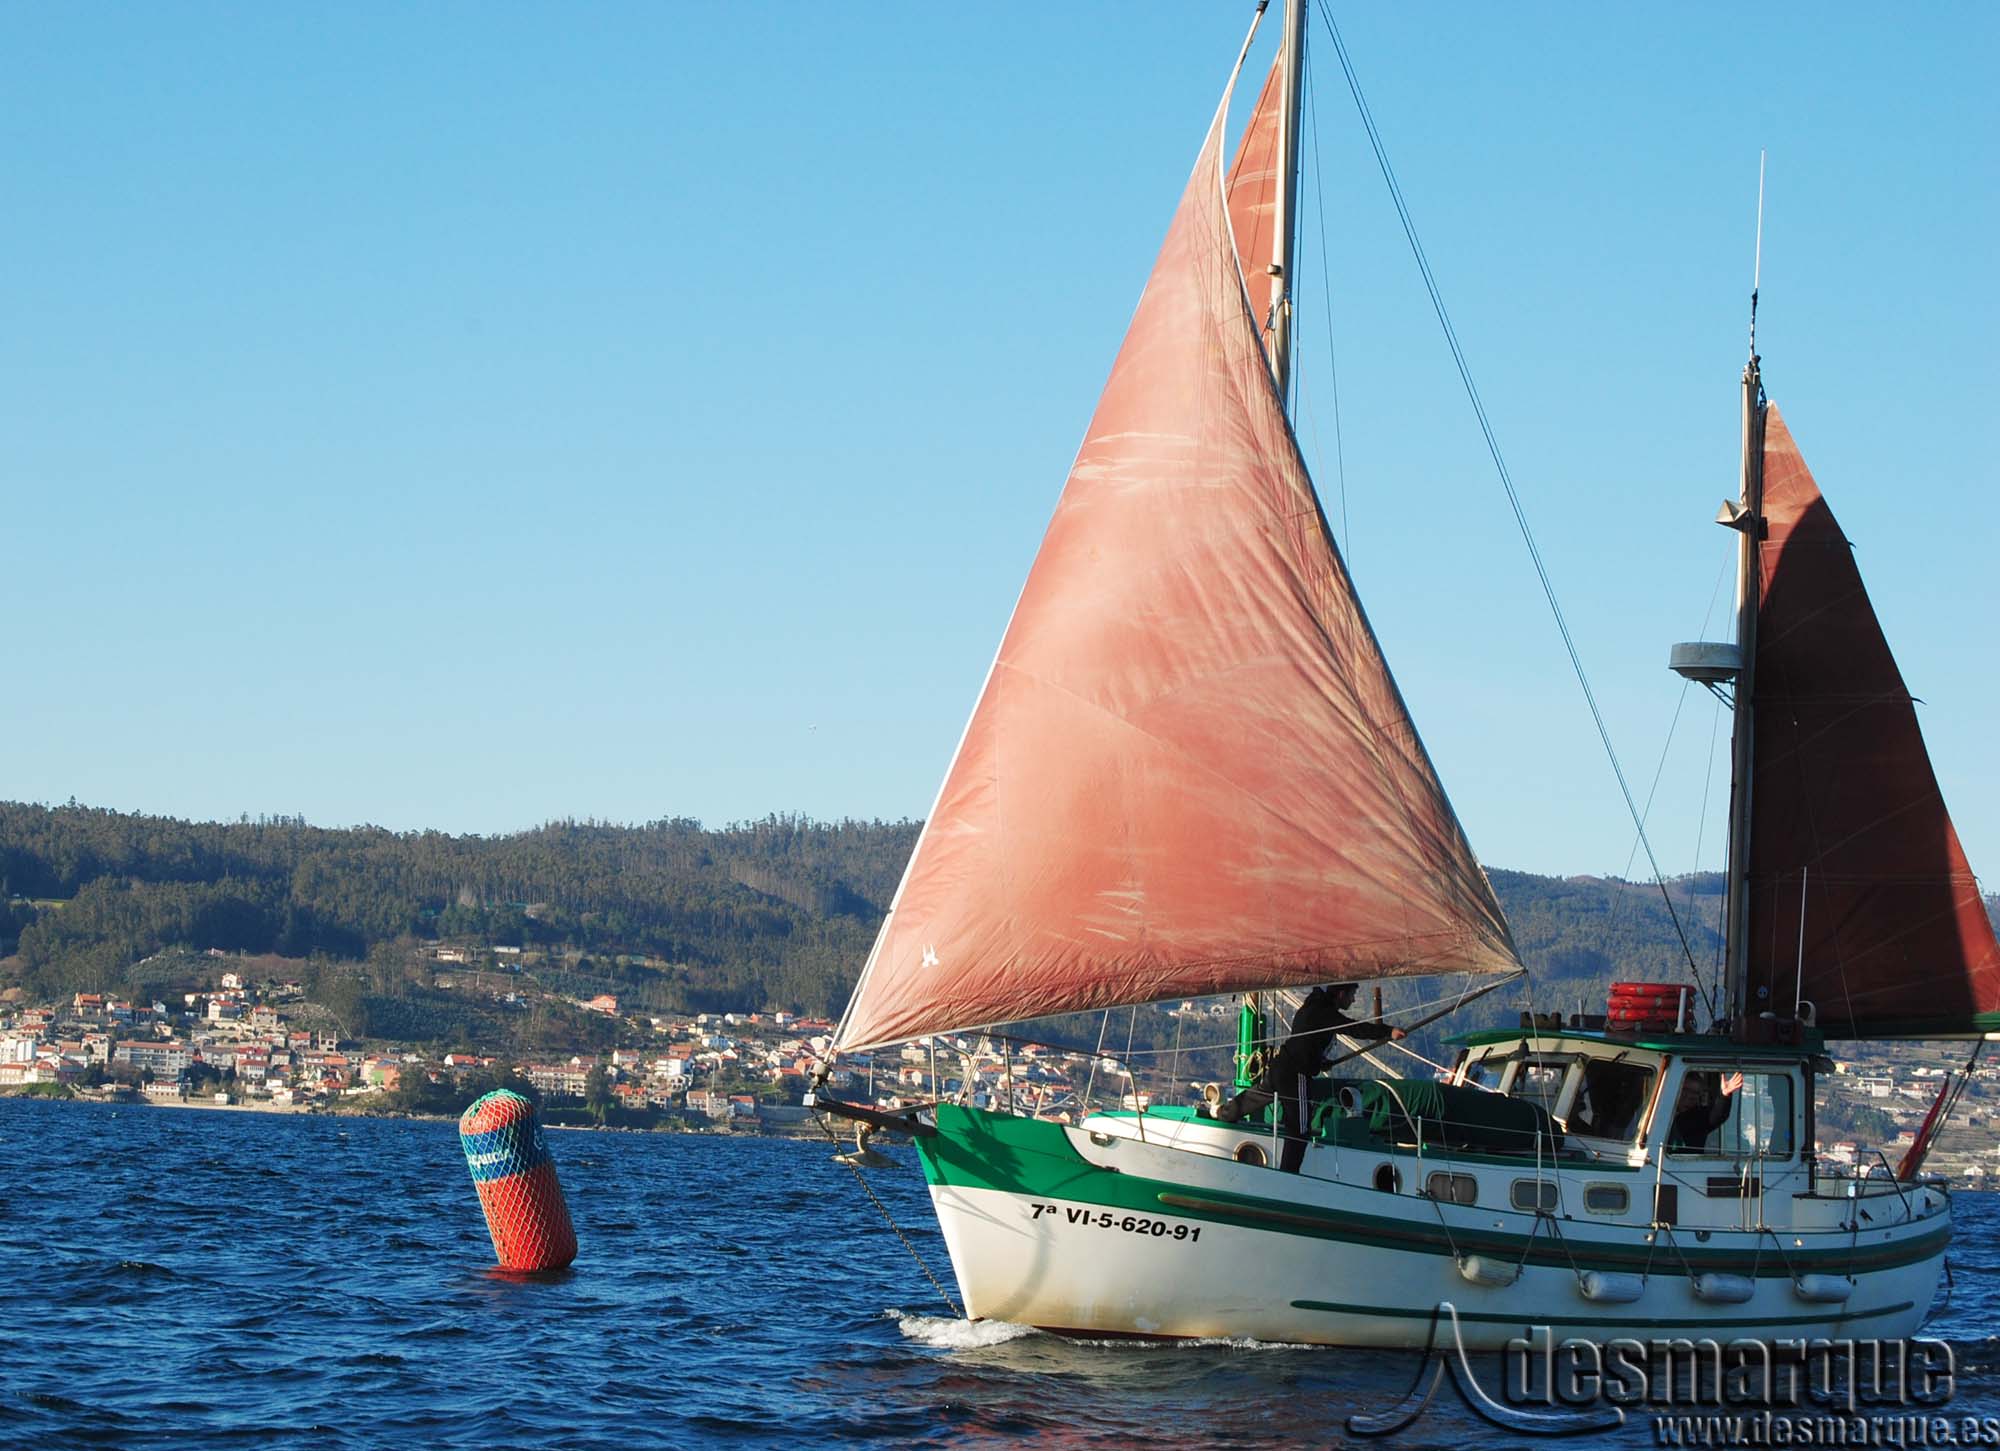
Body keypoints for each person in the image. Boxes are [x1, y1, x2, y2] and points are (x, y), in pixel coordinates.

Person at [1213, 984, 1405, 1173]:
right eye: (1351, 994)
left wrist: (1319, 1062)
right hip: (1296, 1073)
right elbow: (1354, 1028)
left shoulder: (1311, 1007)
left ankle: (1225, 1113)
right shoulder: (1325, 1013)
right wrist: (1388, 1031)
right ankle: (1289, 1174)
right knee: (1300, 1129)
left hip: (1281, 1066)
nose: (1353, 1000)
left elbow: (1305, 1043)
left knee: (1257, 1096)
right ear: (1340, 994)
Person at [1667, 1071, 1734, 1152]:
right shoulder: (1660, 1112)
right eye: (1685, 1090)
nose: (1690, 1096)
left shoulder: (1698, 1117)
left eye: (1695, 1093)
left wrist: (1725, 1095)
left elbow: (1717, 1115)